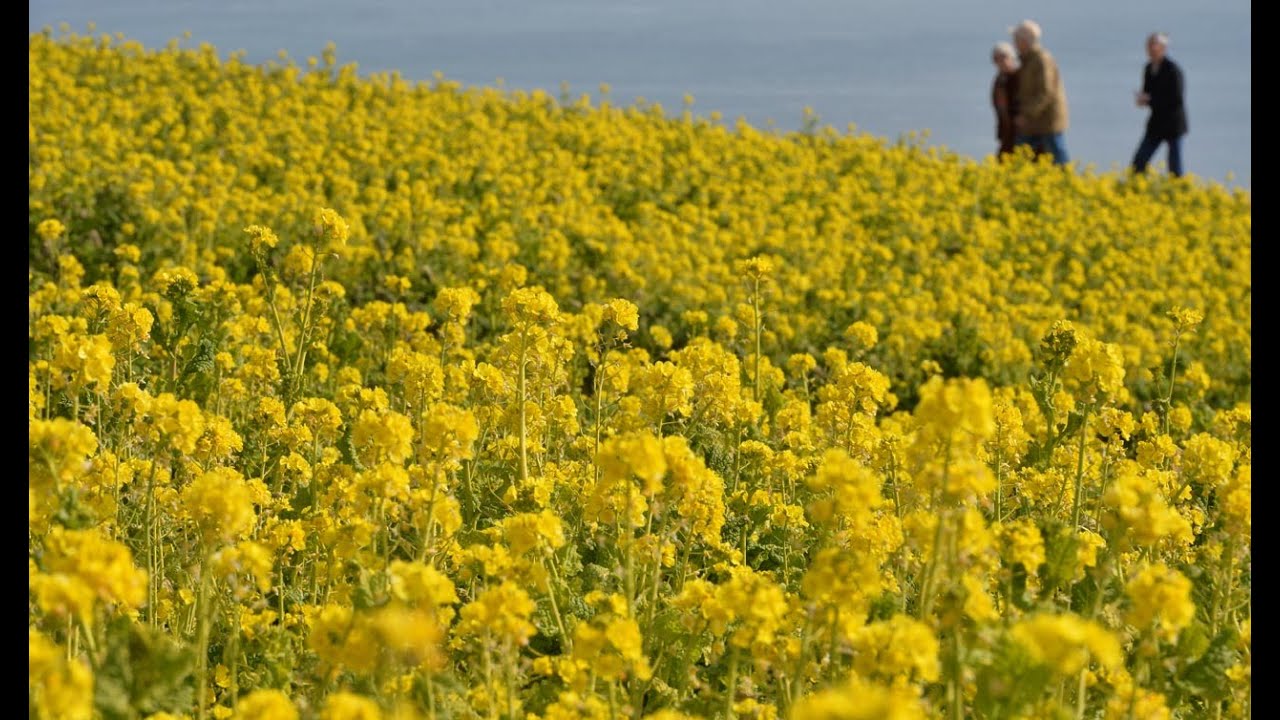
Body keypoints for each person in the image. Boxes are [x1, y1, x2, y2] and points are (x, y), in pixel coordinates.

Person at [1010, 19, 1070, 165]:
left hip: (1046, 120)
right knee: (1022, 154)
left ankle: (1066, 181)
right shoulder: (1028, 60)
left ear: (1025, 41)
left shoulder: (1041, 60)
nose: (1014, 44)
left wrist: (1026, 114)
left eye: (1016, 40)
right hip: (1034, 121)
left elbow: (1046, 92)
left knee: (1057, 155)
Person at [1131, 32, 1187, 177]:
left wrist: (1150, 100)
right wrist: (1142, 100)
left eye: (1153, 45)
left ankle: (1177, 193)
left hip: (1173, 124)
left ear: (1163, 48)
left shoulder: (1173, 70)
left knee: (1175, 166)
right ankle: (1138, 190)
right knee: (1139, 162)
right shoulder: (1148, 69)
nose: (1150, 49)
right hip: (1156, 122)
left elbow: (1176, 99)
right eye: (1148, 45)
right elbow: (1147, 93)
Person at [991, 41, 1020, 157]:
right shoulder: (999, 79)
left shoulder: (1019, 76)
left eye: (1004, 57)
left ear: (1012, 58)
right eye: (997, 59)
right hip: (1006, 130)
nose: (1001, 62)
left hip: (1020, 130)